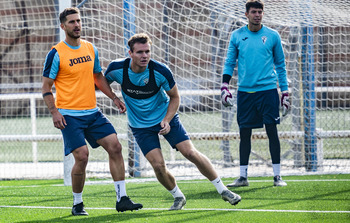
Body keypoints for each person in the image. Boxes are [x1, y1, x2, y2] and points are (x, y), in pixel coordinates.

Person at [105, 33, 241, 210]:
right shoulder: (117, 68)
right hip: (140, 126)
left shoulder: (160, 71)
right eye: (139, 52)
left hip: (165, 118)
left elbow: (175, 97)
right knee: (158, 166)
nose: (144, 55)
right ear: (129, 53)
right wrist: (115, 98)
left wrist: (167, 120)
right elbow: (101, 81)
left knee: (190, 152)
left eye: (147, 51)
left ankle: (223, 190)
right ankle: (178, 197)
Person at [41, 7, 143, 215]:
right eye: (71, 22)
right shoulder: (56, 53)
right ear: (63, 26)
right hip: (69, 115)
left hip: (92, 112)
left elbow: (97, 77)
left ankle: (122, 198)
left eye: (78, 21)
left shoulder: (90, 48)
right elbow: (46, 88)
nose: (77, 25)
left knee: (115, 146)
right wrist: (54, 112)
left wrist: (114, 97)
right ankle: (77, 203)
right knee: (82, 156)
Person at [220, 0, 290, 187]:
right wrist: (225, 86)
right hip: (245, 93)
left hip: (268, 91)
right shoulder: (236, 36)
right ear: (246, 14)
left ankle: (277, 176)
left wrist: (284, 91)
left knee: (272, 131)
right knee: (244, 134)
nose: (257, 15)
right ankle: (243, 177)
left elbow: (281, 66)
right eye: (254, 12)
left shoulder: (273, 36)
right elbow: (229, 63)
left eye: (260, 12)